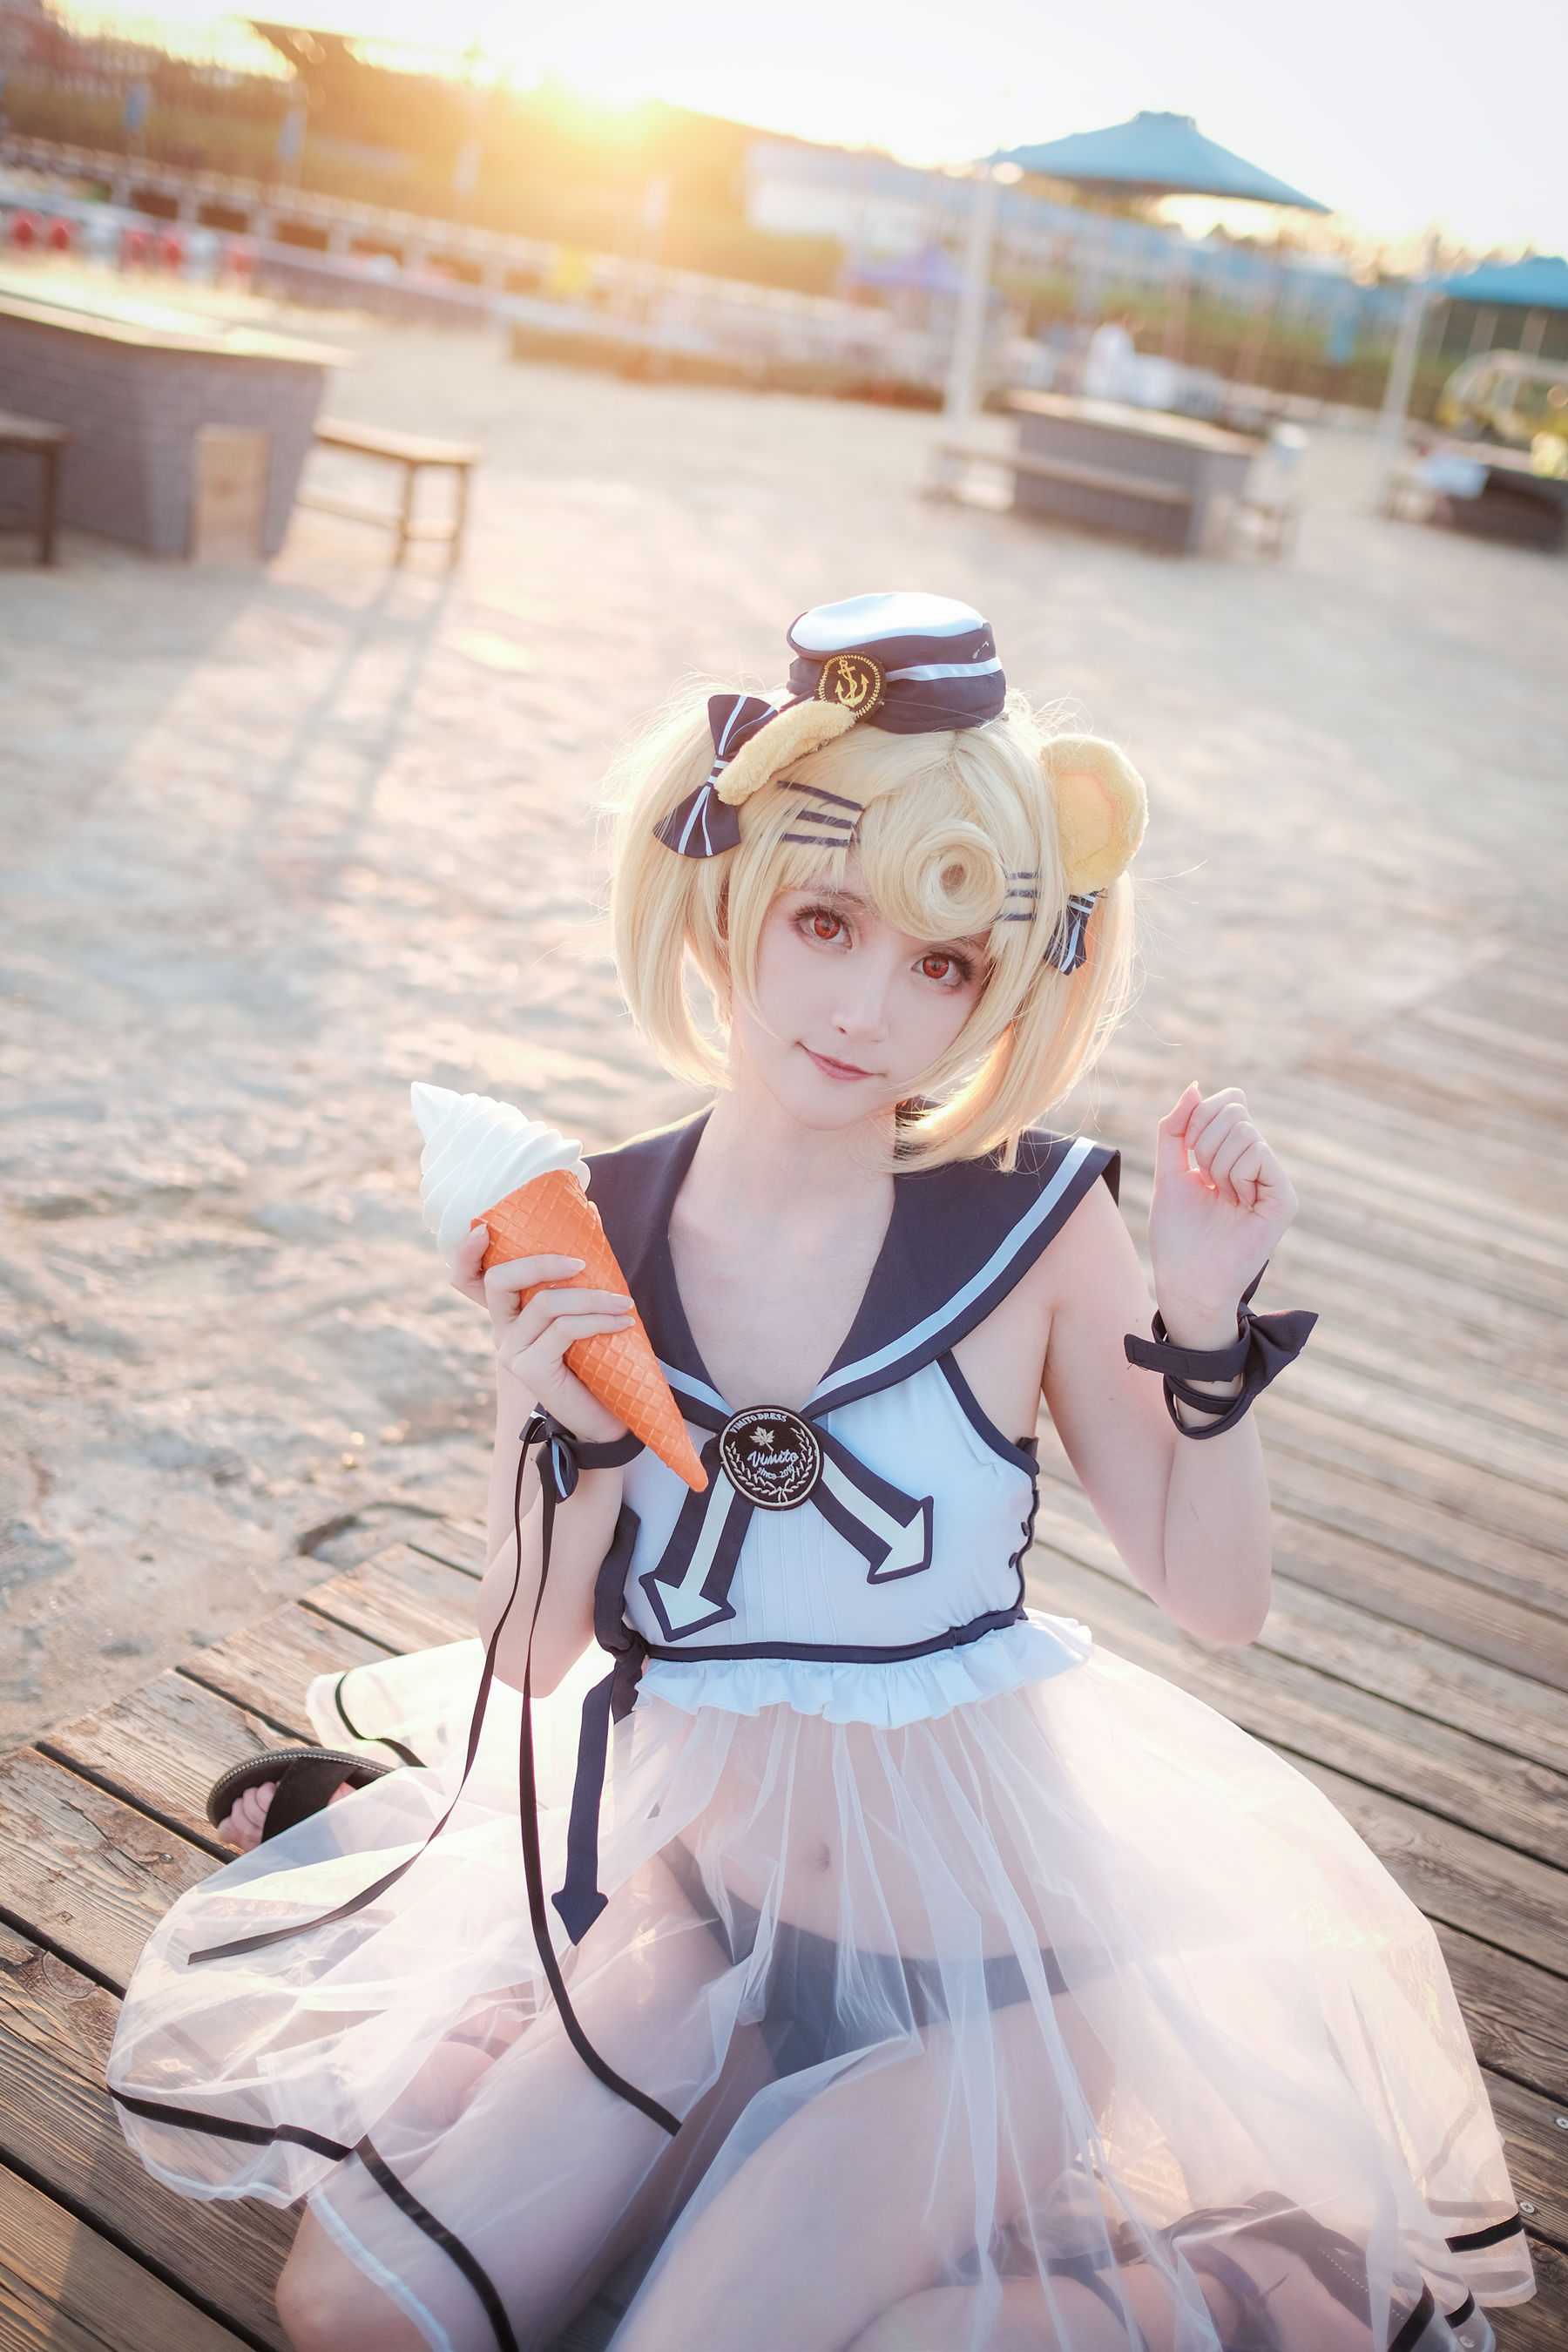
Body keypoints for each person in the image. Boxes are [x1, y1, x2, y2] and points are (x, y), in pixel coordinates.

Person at [108, 594, 1528, 2352]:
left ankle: (1231, 2280)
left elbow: (1217, 1601)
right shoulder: (594, 1229)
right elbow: (533, 1654)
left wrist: (1204, 1317)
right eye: (828, 921)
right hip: (704, 1917)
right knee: (359, 2320)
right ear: (728, 903)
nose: (870, 1009)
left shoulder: (1033, 1222)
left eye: (944, 965)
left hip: (996, 1985)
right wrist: (554, 1419)